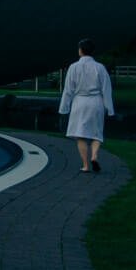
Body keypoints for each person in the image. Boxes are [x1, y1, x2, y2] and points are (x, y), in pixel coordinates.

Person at [57, 38, 115, 173]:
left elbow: (68, 90)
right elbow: (106, 89)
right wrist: (109, 108)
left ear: (80, 50)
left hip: (80, 103)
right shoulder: (100, 67)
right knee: (96, 133)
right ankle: (94, 156)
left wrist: (63, 108)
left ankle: (86, 165)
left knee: (80, 135)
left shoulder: (74, 67)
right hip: (96, 102)